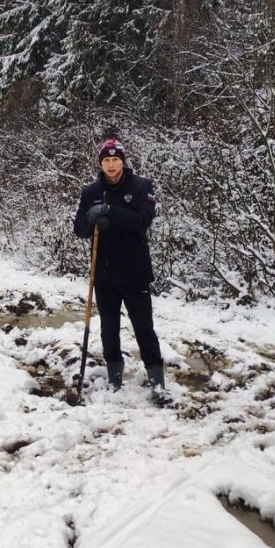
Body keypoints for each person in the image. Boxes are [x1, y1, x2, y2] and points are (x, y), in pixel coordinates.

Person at [73, 138, 165, 397]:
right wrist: (90, 218)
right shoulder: (90, 192)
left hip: (135, 272)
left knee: (144, 328)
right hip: (103, 273)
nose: (111, 165)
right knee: (108, 328)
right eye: (106, 160)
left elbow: (142, 221)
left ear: (123, 161)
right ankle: (114, 378)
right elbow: (79, 229)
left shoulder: (141, 187)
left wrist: (111, 211)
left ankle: (157, 380)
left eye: (115, 160)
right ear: (101, 163)